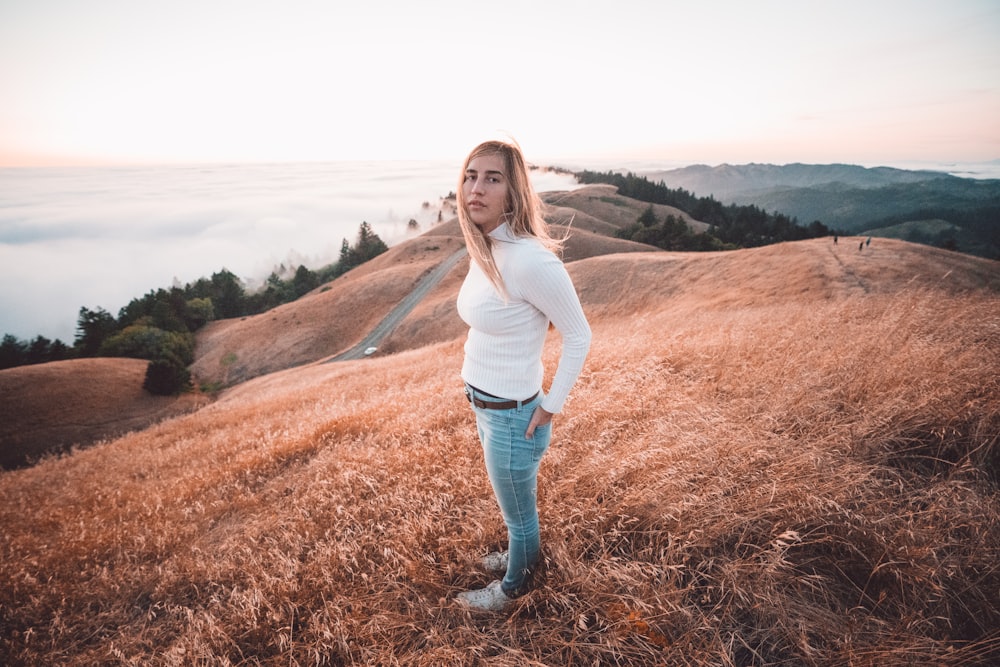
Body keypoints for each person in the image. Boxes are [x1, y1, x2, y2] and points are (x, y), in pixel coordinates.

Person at [454, 140, 592, 611]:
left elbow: (579, 335)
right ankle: (521, 552)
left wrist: (551, 404)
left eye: (492, 178)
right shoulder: (488, 247)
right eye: (471, 176)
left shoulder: (531, 259)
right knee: (514, 510)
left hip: (514, 417)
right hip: (487, 407)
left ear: (513, 192)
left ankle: (516, 587)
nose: (476, 188)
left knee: (521, 517)